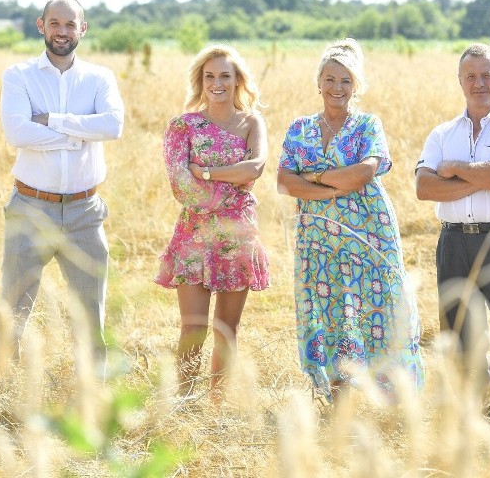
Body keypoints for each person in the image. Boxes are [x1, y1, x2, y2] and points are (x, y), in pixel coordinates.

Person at [277, 38, 424, 404]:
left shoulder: (368, 125)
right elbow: (283, 181)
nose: (336, 88)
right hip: (317, 236)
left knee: (377, 307)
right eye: (329, 79)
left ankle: (393, 396)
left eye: (345, 81)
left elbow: (363, 174)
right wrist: (331, 185)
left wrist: (311, 179)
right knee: (327, 309)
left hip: (368, 233)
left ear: (355, 86)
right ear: (319, 82)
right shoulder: (299, 128)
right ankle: (336, 394)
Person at [0, 0, 124, 379]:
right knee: (13, 303)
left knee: (92, 307)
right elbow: (17, 132)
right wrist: (77, 134)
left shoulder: (99, 77)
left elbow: (112, 127)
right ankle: (1, 386)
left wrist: (51, 120)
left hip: (85, 212)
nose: (62, 31)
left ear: (82, 29)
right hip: (31, 206)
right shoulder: (18, 75)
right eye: (55, 23)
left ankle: (95, 390)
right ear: (42, 26)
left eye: (71, 24)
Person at [415, 42, 490, 419]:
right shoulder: (441, 134)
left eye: (487, 75)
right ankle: (483, 419)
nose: (479, 82)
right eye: (471, 76)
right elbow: (425, 188)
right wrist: (483, 175)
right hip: (453, 242)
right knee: (460, 336)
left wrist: (454, 168)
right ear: (460, 81)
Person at [154, 43, 269, 397]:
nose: (217, 83)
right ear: (200, 82)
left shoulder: (252, 122)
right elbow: (180, 186)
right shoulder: (183, 126)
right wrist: (230, 183)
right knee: (193, 328)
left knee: (226, 329)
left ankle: (216, 406)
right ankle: (183, 401)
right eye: (209, 76)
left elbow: (256, 168)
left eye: (224, 76)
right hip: (194, 235)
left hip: (238, 234)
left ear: (238, 81)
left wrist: (205, 172)